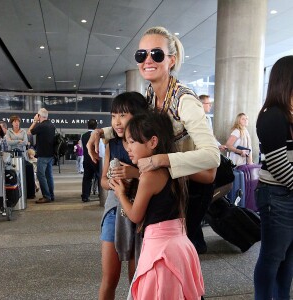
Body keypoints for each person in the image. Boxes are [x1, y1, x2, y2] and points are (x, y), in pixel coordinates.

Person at [87, 26, 220, 254]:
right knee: (158, 256)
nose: (147, 60)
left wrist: (160, 160)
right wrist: (102, 133)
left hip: (191, 189)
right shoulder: (150, 95)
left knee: (180, 258)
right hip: (166, 187)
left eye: (156, 54)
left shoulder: (185, 101)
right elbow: (134, 125)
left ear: (171, 60)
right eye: (141, 55)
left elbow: (212, 157)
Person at [110, 111, 204, 299]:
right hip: (180, 244)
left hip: (160, 250)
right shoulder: (175, 168)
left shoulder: (150, 176)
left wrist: (120, 194)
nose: (128, 148)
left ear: (153, 142)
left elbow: (136, 216)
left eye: (133, 141)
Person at [99, 91, 149, 300]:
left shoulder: (147, 143)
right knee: (109, 278)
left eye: (123, 115)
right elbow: (102, 181)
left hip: (142, 212)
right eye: (113, 116)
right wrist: (113, 183)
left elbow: (162, 176)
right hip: (114, 211)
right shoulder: (112, 143)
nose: (117, 122)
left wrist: (134, 173)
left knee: (135, 278)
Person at [254, 55, 293, 300]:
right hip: (276, 196)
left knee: (288, 259)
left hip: (287, 193)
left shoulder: (288, 115)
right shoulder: (272, 116)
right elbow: (279, 165)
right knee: (272, 257)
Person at [28, 108, 55, 204]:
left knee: (40, 175)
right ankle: (51, 195)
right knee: (49, 175)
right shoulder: (51, 125)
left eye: (37, 116)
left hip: (43, 155)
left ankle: (46, 196)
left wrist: (35, 121)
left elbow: (29, 132)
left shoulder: (41, 126)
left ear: (39, 116)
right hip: (50, 155)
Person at [81, 119, 102, 202]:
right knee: (99, 177)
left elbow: (83, 148)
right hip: (96, 160)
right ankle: (101, 195)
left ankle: (85, 196)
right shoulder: (98, 135)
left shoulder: (83, 136)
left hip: (86, 160)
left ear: (87, 125)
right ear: (96, 126)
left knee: (87, 178)